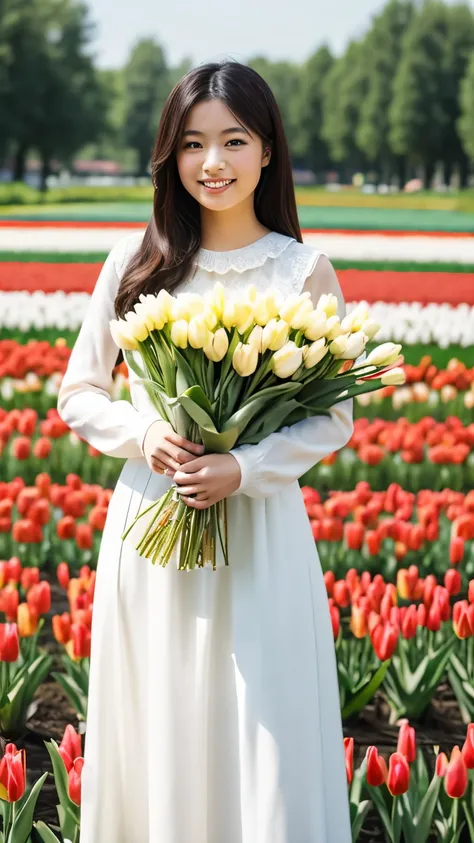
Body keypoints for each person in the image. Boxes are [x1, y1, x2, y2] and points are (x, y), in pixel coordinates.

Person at [58, 60, 353, 843]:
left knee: (266, 722)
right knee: (163, 710)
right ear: (169, 154)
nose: (212, 162)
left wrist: (245, 467)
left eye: (233, 140)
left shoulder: (302, 272)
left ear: (267, 151)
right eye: (192, 143)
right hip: (153, 526)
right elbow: (79, 392)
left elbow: (333, 419)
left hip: (259, 530)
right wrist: (146, 432)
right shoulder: (135, 264)